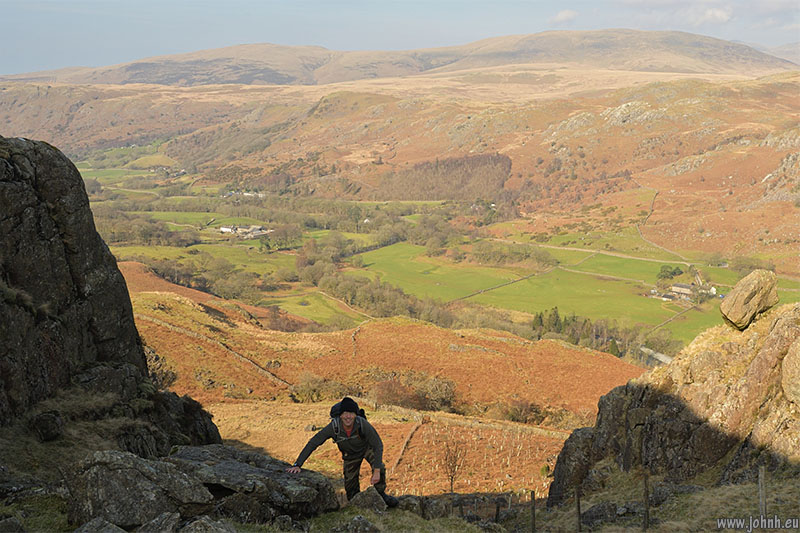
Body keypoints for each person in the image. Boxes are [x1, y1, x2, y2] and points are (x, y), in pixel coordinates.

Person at [286, 396, 398, 507]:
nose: (348, 416)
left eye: (351, 413)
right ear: (340, 415)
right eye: (345, 413)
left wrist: (377, 471)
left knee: (380, 467)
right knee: (350, 487)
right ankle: (356, 504)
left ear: (355, 415)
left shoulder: (362, 424)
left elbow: (378, 444)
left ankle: (381, 496)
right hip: (350, 455)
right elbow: (313, 443)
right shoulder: (333, 427)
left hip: (366, 449)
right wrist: (297, 464)